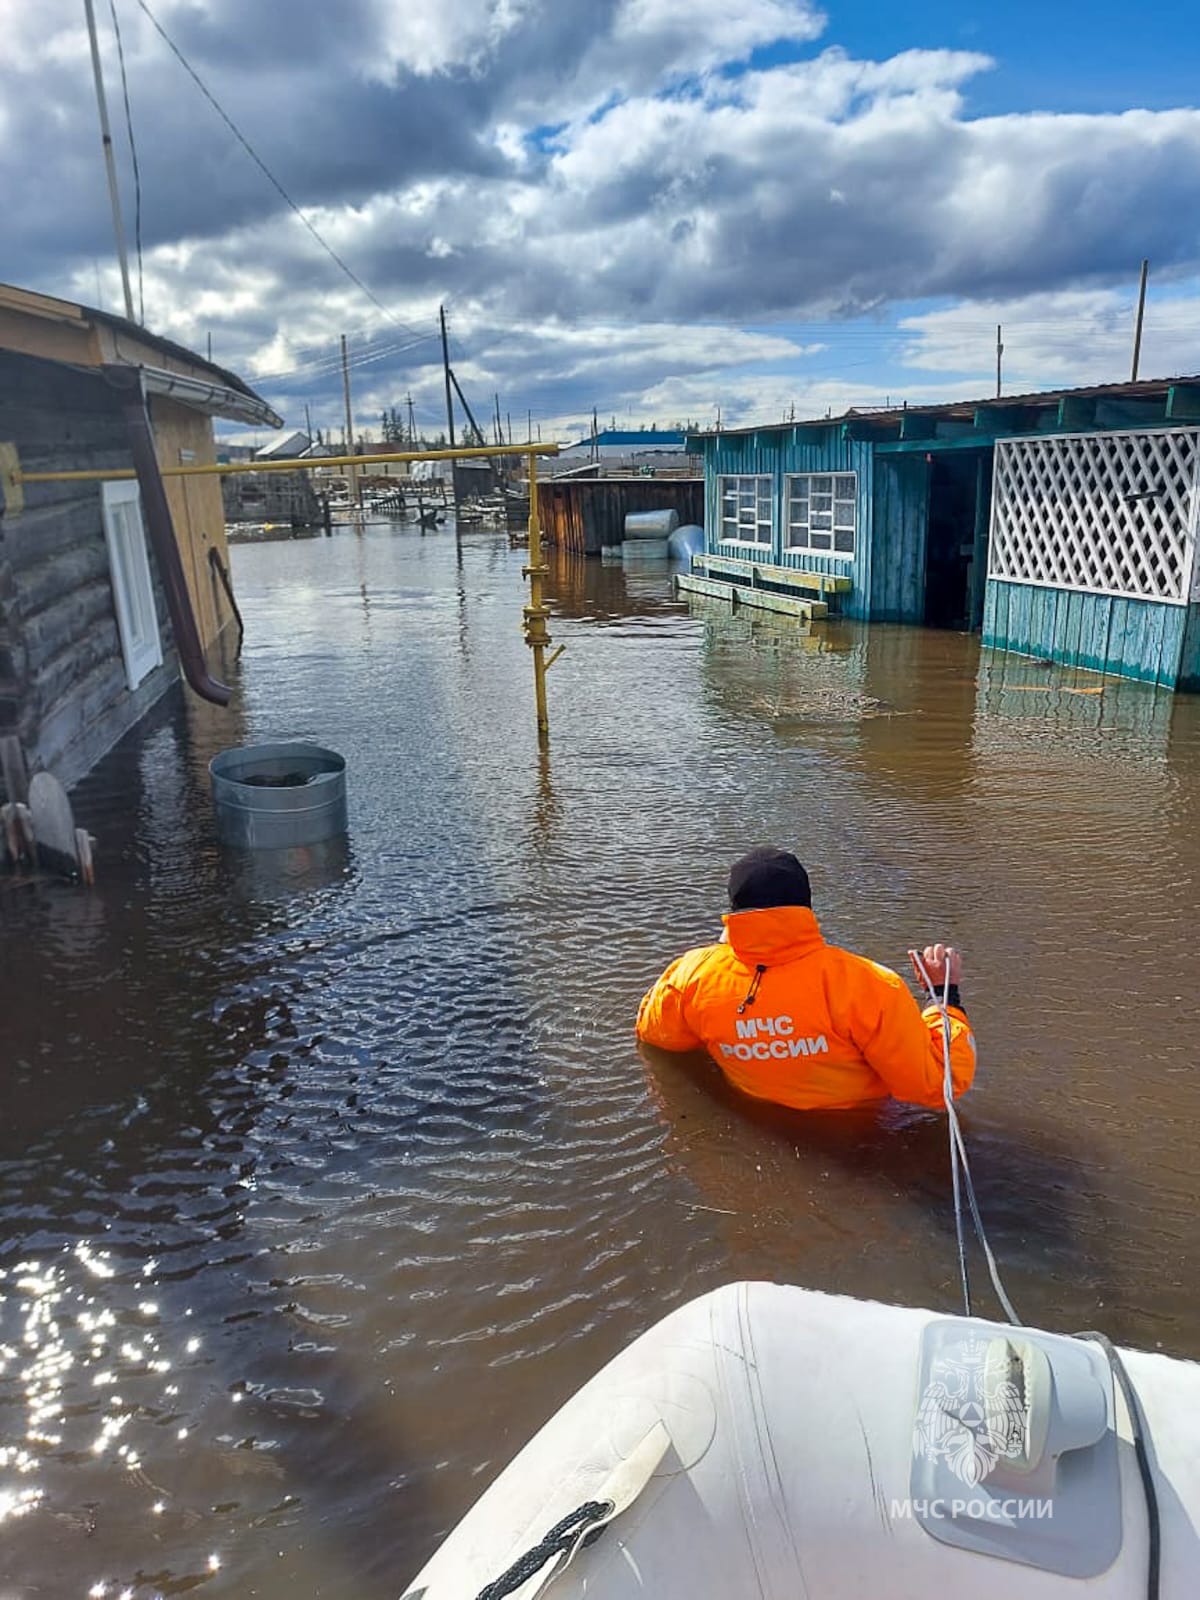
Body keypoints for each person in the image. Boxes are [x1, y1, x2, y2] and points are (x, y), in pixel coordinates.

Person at [636, 846, 975, 1112]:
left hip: (761, 1123)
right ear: (807, 906)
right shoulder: (869, 985)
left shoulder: (692, 976)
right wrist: (944, 997)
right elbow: (937, 1087)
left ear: (732, 912)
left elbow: (656, 1037)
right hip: (865, 1131)